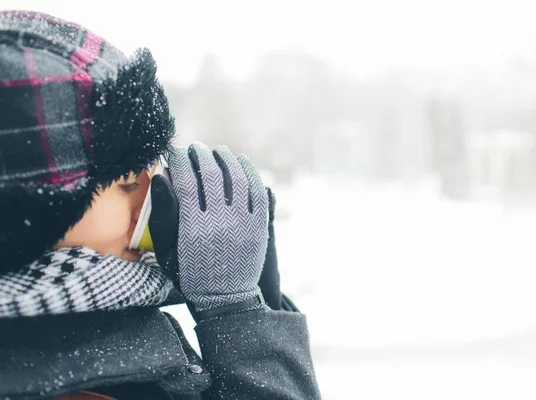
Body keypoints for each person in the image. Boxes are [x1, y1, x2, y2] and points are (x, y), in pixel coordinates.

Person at [0, 11, 321, 400]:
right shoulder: (75, 388)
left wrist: (261, 313)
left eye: (154, 173)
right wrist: (234, 317)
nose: (153, 203)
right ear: (24, 218)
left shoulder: (93, 337)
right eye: (129, 184)